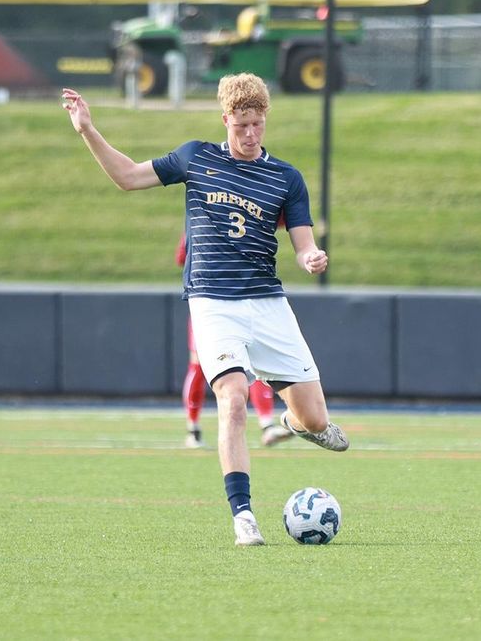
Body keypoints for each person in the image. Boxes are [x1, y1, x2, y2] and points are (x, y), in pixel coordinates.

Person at [62, 74, 349, 547]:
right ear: (225, 120)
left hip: (267, 303)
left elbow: (302, 243)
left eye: (257, 124)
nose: (250, 134)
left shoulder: (286, 178)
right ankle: (243, 516)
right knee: (233, 399)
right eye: (241, 125)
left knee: (315, 420)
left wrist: (311, 257)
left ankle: (294, 423)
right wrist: (87, 130)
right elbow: (128, 177)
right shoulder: (196, 157)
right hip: (213, 303)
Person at [177, 232, 294, 450]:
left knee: (254, 363)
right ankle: (193, 428)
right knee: (199, 364)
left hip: (244, 302)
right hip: (211, 304)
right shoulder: (203, 224)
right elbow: (182, 256)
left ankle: (267, 424)